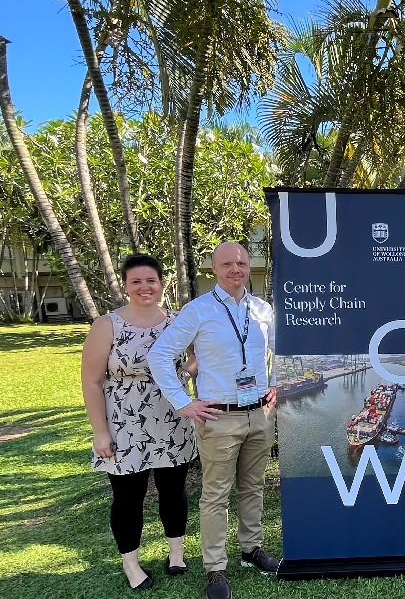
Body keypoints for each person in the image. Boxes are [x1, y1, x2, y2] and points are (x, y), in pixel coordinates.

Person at [148, 242, 278, 599]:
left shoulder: (263, 309)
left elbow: (279, 352)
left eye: (240, 262)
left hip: (260, 414)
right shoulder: (198, 310)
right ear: (214, 269)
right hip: (219, 417)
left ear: (248, 265)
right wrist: (183, 402)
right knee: (215, 495)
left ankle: (252, 550)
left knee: (253, 487)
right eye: (227, 264)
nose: (235, 269)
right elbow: (159, 355)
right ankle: (215, 569)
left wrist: (278, 384)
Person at [81, 254, 198, 590]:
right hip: (124, 422)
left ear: (162, 283)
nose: (145, 287)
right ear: (126, 285)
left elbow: (198, 356)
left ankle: (176, 552)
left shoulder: (178, 321)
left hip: (171, 418)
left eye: (151, 280)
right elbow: (91, 381)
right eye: (137, 281)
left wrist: (183, 373)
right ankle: (131, 564)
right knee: (128, 496)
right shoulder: (108, 325)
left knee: (173, 491)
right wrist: (100, 432)